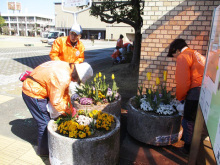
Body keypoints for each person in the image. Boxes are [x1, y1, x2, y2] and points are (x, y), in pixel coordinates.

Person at [22, 61, 93, 156]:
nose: (75, 81)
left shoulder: (67, 67)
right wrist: (71, 113)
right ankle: (44, 152)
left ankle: (46, 145)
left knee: (46, 119)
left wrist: (70, 108)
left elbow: (64, 94)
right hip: (33, 92)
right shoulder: (63, 77)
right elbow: (57, 101)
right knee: (44, 123)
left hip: (37, 86)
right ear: (77, 75)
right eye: (78, 80)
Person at [167, 39, 206, 154]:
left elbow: (183, 82)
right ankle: (192, 143)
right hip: (204, 90)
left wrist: (180, 98)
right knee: (196, 120)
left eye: (173, 55)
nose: (175, 58)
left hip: (194, 92)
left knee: (188, 120)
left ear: (177, 50)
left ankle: (187, 148)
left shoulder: (183, 56)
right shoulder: (195, 53)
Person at [49, 24, 85, 94]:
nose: (73, 36)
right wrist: (62, 65)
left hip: (72, 72)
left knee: (71, 91)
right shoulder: (60, 41)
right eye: (72, 33)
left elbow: (81, 58)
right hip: (60, 71)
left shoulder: (80, 45)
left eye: (76, 35)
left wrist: (74, 66)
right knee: (59, 91)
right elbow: (53, 54)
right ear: (69, 32)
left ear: (80, 36)